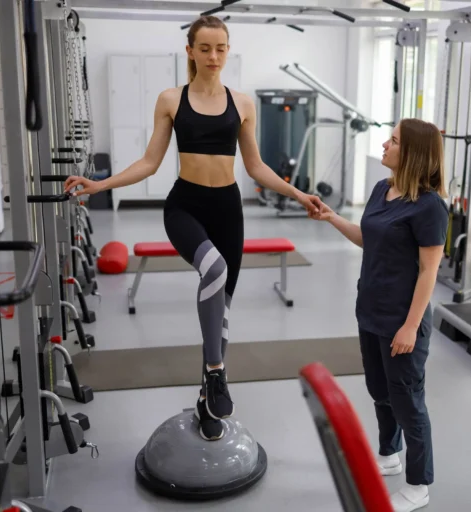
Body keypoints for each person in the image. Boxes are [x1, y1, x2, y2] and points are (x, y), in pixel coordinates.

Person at [64, 16, 322, 441]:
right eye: (205, 48)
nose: (214, 56)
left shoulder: (242, 104)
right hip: (185, 206)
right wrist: (101, 184)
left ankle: (207, 397)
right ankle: (218, 372)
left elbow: (255, 166)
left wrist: (299, 195)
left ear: (227, 50)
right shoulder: (171, 99)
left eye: (221, 48)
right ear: (190, 51)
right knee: (214, 270)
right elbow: (150, 161)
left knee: (221, 317)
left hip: (227, 210)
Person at [310, 118, 448, 512]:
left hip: (402, 321)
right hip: (369, 311)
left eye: (394, 140)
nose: (384, 145)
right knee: (379, 391)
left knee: (408, 402)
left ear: (414, 153)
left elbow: (428, 271)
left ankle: (418, 484)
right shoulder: (381, 190)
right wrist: (332, 218)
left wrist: (409, 326)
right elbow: (367, 238)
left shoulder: (430, 206)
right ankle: (388, 454)